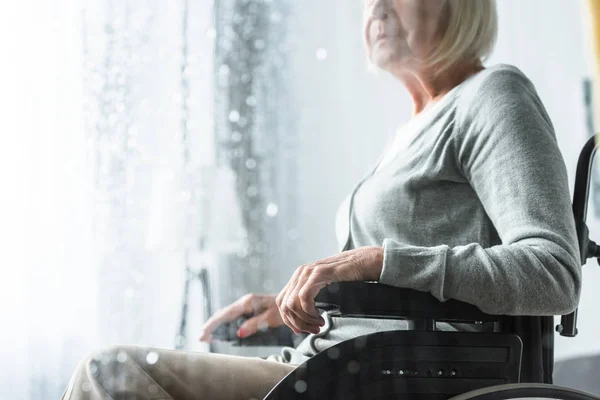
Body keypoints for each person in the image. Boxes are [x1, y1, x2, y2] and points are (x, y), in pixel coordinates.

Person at [62, 0, 582, 398]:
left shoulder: (494, 96)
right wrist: (306, 302)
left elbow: (553, 273)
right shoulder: (411, 128)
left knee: (111, 373)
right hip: (340, 357)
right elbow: (396, 286)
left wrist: (373, 261)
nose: (377, 6)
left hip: (396, 374)